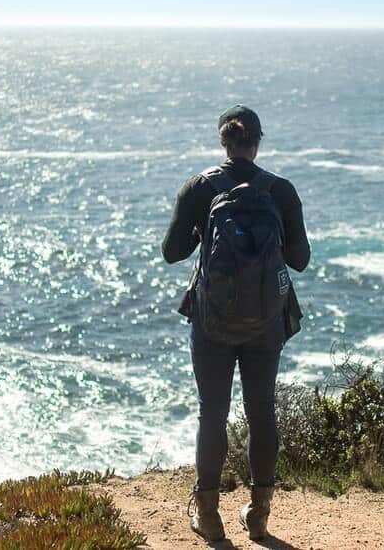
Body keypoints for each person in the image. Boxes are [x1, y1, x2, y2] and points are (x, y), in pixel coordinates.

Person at [162, 105, 310, 542]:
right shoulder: (280, 190)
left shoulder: (200, 188)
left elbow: (172, 252)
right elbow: (300, 260)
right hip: (266, 322)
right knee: (262, 411)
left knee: (213, 411)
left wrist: (202, 236)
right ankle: (259, 514)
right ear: (258, 142)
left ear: (223, 141)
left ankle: (209, 514)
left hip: (212, 322)